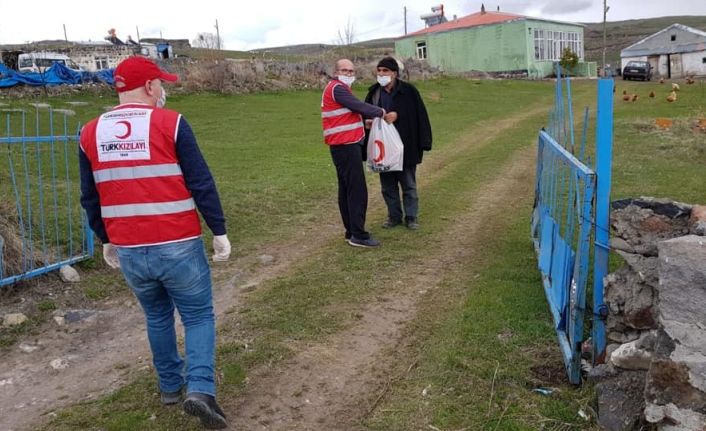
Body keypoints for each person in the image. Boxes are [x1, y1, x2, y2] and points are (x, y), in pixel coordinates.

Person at [79, 56, 231, 430]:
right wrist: (219, 230)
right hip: (177, 240)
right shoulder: (172, 123)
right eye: (161, 84)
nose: (164, 90)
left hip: (130, 247)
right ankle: (200, 389)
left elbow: (89, 196)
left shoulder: (89, 132)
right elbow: (201, 181)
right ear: (149, 86)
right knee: (197, 315)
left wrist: (105, 238)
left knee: (157, 315)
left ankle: (169, 386)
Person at [321, 58, 394, 248]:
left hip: (342, 145)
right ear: (336, 72)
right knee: (357, 190)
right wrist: (380, 112)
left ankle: (351, 230)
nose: (349, 74)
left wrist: (365, 123)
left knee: (346, 189)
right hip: (345, 145)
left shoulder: (337, 89)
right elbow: (357, 106)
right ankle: (359, 234)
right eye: (345, 71)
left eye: (351, 71)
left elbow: (348, 113)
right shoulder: (337, 88)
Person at [365, 57, 432, 230]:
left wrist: (398, 115)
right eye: (379, 70)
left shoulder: (409, 91)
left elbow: (419, 116)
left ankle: (411, 217)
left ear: (394, 73)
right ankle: (393, 216)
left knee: (408, 184)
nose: (381, 74)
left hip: (405, 146)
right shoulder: (374, 93)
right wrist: (368, 122)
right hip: (383, 148)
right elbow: (364, 114)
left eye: (385, 71)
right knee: (387, 185)